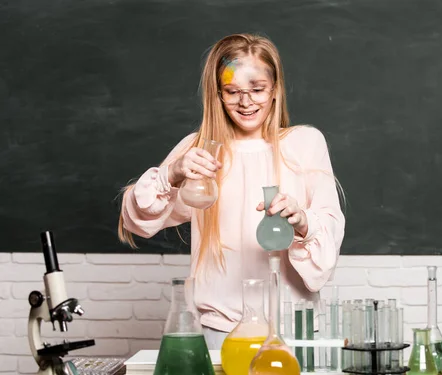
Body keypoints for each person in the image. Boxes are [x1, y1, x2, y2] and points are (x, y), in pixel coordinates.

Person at [118, 33, 345, 350]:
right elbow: (136, 220)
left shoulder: (305, 144)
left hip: (297, 329)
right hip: (220, 332)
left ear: (275, 89)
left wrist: (303, 222)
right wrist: (172, 174)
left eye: (257, 90)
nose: (246, 102)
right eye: (233, 91)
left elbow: (330, 229)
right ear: (217, 94)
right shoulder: (198, 152)